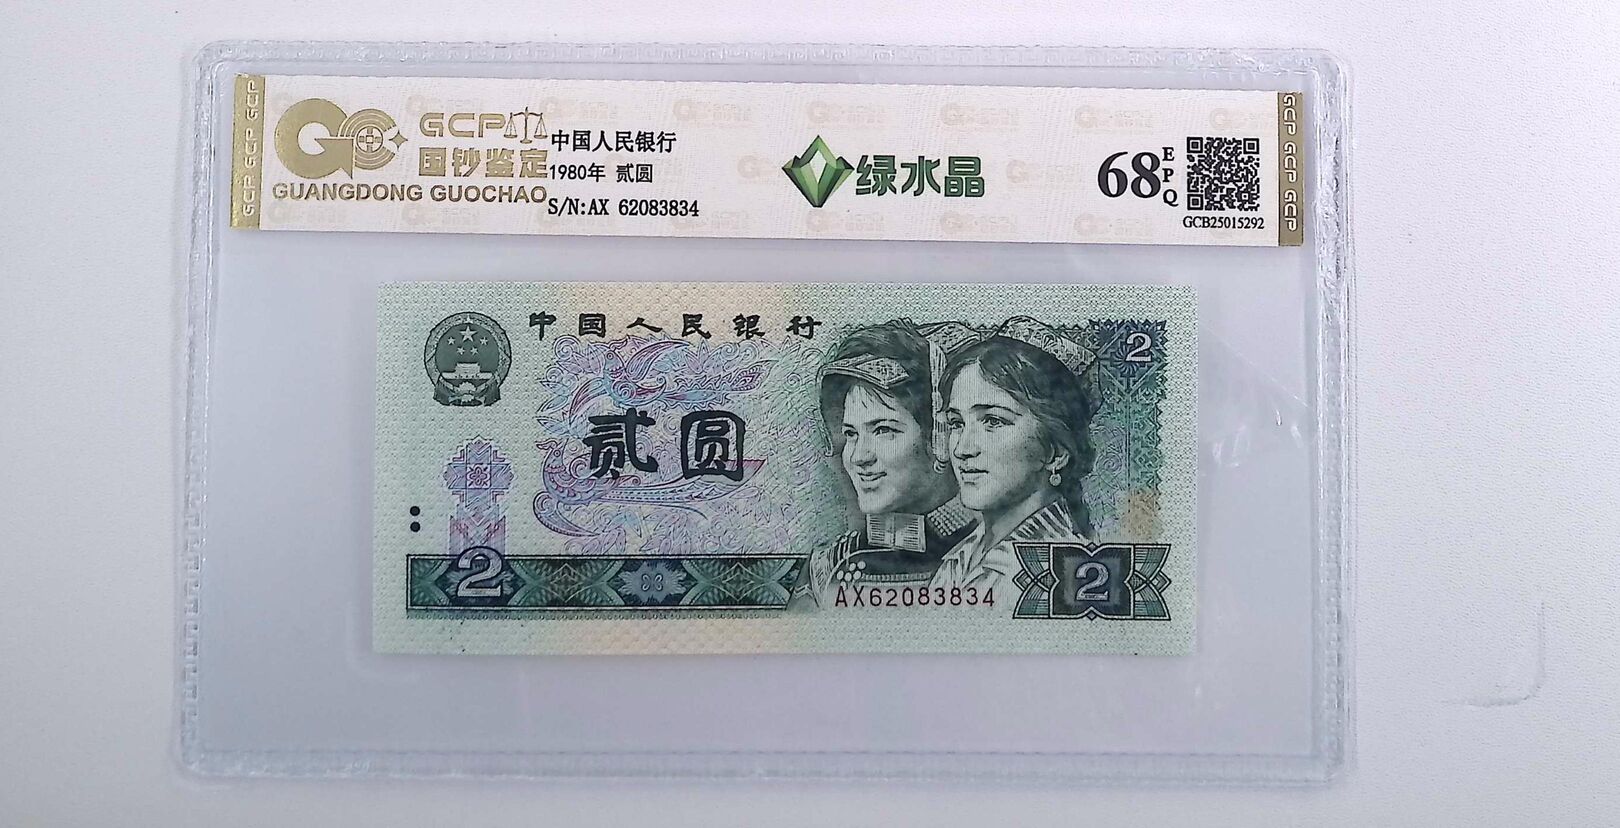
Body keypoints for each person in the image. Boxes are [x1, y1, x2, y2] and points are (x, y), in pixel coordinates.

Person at [800, 320, 979, 606]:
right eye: (851, 434)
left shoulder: (996, 556)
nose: (859, 457)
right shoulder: (828, 566)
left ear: (940, 436)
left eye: (883, 430)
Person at [928, 317, 1097, 603]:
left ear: (1055, 451)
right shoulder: (959, 559)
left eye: (993, 421)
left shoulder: (1064, 574)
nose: (962, 449)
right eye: (956, 423)